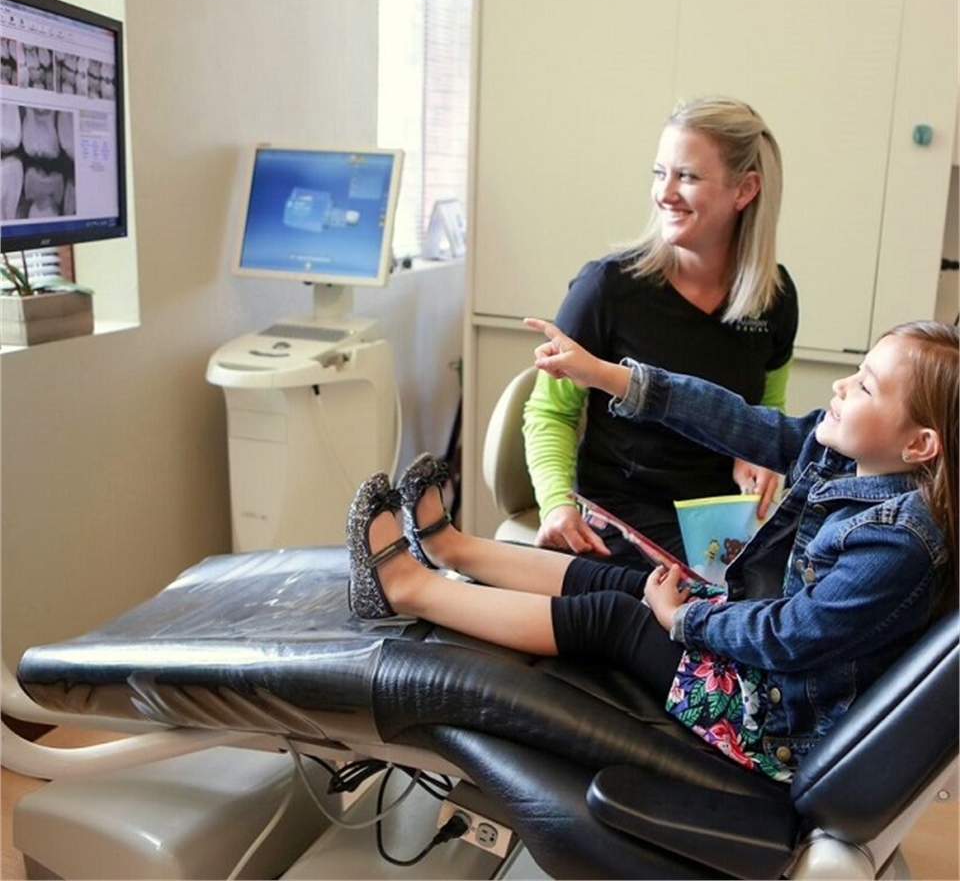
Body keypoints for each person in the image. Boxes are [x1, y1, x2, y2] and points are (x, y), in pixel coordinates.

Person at [346, 318, 958, 781]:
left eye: (867, 387)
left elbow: (788, 636)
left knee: (619, 616)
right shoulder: (844, 460)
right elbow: (732, 419)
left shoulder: (897, 542)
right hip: (771, 671)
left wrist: (685, 619)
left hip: (774, 723)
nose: (841, 385)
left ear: (920, 444)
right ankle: (453, 549)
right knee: (616, 579)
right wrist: (607, 375)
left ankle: (407, 588)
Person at [523, 96, 799, 563]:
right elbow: (550, 415)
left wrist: (754, 457)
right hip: (616, 523)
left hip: (715, 534)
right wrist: (555, 506)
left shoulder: (774, 299)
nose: (664, 192)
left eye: (687, 176)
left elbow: (764, 416)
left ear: (745, 190)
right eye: (659, 172)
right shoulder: (606, 288)